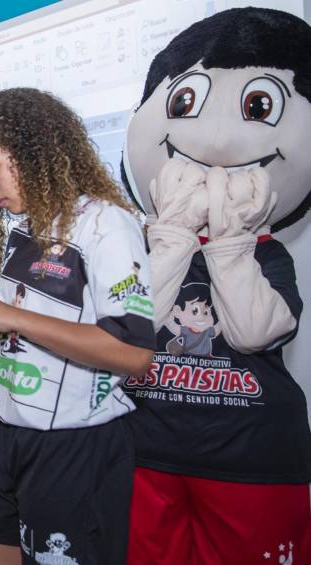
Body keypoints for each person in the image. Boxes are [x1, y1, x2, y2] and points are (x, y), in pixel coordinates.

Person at [120, 8, 311, 564]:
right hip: (146, 451)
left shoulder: (270, 255)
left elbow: (255, 333)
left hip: (254, 460)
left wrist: (229, 243)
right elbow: (134, 326)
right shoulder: (142, 248)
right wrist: (174, 236)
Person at [0, 88, 155, 565]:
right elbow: (39, 325)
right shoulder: (25, 230)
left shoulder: (107, 225)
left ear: (33, 151)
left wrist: (12, 317)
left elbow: (133, 353)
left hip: (75, 446)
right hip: (10, 434)